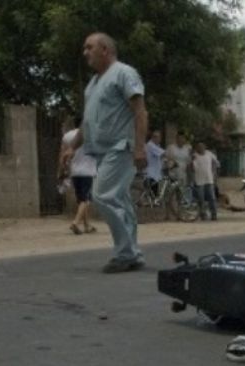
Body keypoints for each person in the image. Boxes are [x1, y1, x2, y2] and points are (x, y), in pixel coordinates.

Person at [64, 32, 148, 273]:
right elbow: (87, 122)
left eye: (89, 47)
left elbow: (140, 112)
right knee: (119, 200)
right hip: (102, 151)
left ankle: (125, 253)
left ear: (105, 50)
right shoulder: (93, 83)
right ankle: (132, 253)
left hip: (122, 147)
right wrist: (72, 147)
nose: (85, 53)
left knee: (102, 195)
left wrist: (140, 148)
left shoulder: (124, 73)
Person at [59, 117, 98, 235]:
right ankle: (75, 223)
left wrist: (63, 169)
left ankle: (87, 225)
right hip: (88, 171)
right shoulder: (92, 135)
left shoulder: (67, 136)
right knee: (86, 200)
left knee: (81, 199)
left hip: (74, 171)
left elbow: (63, 154)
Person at [192, 141, 219, 220]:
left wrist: (215, 174)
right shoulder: (194, 156)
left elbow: (216, 163)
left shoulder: (209, 154)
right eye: (198, 147)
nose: (200, 148)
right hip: (199, 181)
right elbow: (192, 168)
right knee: (201, 198)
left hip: (209, 180)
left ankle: (214, 214)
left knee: (212, 198)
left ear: (205, 147)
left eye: (202, 146)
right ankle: (203, 214)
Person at [167, 131, 193, 203]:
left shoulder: (188, 148)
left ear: (184, 139)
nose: (180, 140)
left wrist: (189, 176)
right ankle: (168, 213)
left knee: (180, 194)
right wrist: (170, 165)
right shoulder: (171, 147)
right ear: (176, 138)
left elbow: (189, 162)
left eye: (182, 138)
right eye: (179, 138)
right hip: (172, 174)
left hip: (182, 175)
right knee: (170, 194)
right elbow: (165, 159)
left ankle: (178, 211)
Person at [144, 130, 166, 200]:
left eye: (158, 137)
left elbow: (161, 158)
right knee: (153, 197)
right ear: (152, 137)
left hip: (156, 175)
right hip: (151, 175)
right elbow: (164, 154)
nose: (157, 139)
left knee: (154, 196)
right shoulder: (151, 145)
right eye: (155, 137)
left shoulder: (157, 146)